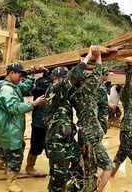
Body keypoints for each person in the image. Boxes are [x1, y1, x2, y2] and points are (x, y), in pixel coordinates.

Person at [0, 62, 45, 192]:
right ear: (12, 73)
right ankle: (11, 183)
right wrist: (34, 103)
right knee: (16, 156)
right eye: (20, 75)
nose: (21, 78)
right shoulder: (7, 90)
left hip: (4, 129)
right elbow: (14, 107)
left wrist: (31, 75)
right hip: (9, 130)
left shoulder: (11, 85)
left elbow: (24, 87)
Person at [44, 47, 95, 192]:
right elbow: (73, 77)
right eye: (63, 78)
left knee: (77, 165)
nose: (67, 81)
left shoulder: (64, 96)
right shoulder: (53, 90)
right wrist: (87, 58)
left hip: (67, 141)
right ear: (55, 79)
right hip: (56, 142)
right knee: (58, 177)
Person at [70, 46, 114, 192]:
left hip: (84, 134)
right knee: (108, 166)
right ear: (82, 83)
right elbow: (97, 77)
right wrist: (98, 58)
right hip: (91, 136)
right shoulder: (85, 92)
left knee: (88, 170)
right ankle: (97, 190)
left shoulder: (75, 96)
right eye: (87, 80)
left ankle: (85, 188)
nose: (91, 82)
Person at [25, 65, 51, 177]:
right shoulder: (46, 90)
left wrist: (46, 72)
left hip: (40, 122)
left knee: (40, 146)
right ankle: (30, 166)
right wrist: (47, 73)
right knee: (39, 146)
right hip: (41, 123)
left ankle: (30, 166)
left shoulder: (38, 89)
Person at [96, 67, 110, 134]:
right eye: (106, 75)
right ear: (102, 75)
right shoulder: (98, 85)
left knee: (103, 129)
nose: (107, 77)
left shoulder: (102, 84)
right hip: (99, 112)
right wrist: (108, 104)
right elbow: (97, 99)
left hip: (103, 112)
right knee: (101, 129)